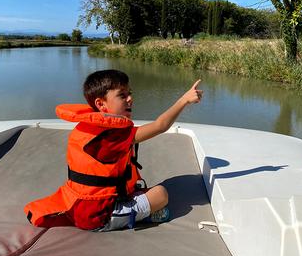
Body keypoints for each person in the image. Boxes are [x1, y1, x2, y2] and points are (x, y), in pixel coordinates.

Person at [24, 69, 203, 231]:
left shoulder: (88, 127)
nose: (130, 99)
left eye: (129, 93)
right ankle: (146, 216)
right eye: (122, 95)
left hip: (81, 203)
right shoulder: (112, 136)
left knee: (143, 189)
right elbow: (160, 125)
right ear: (101, 105)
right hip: (97, 215)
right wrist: (184, 100)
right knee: (161, 195)